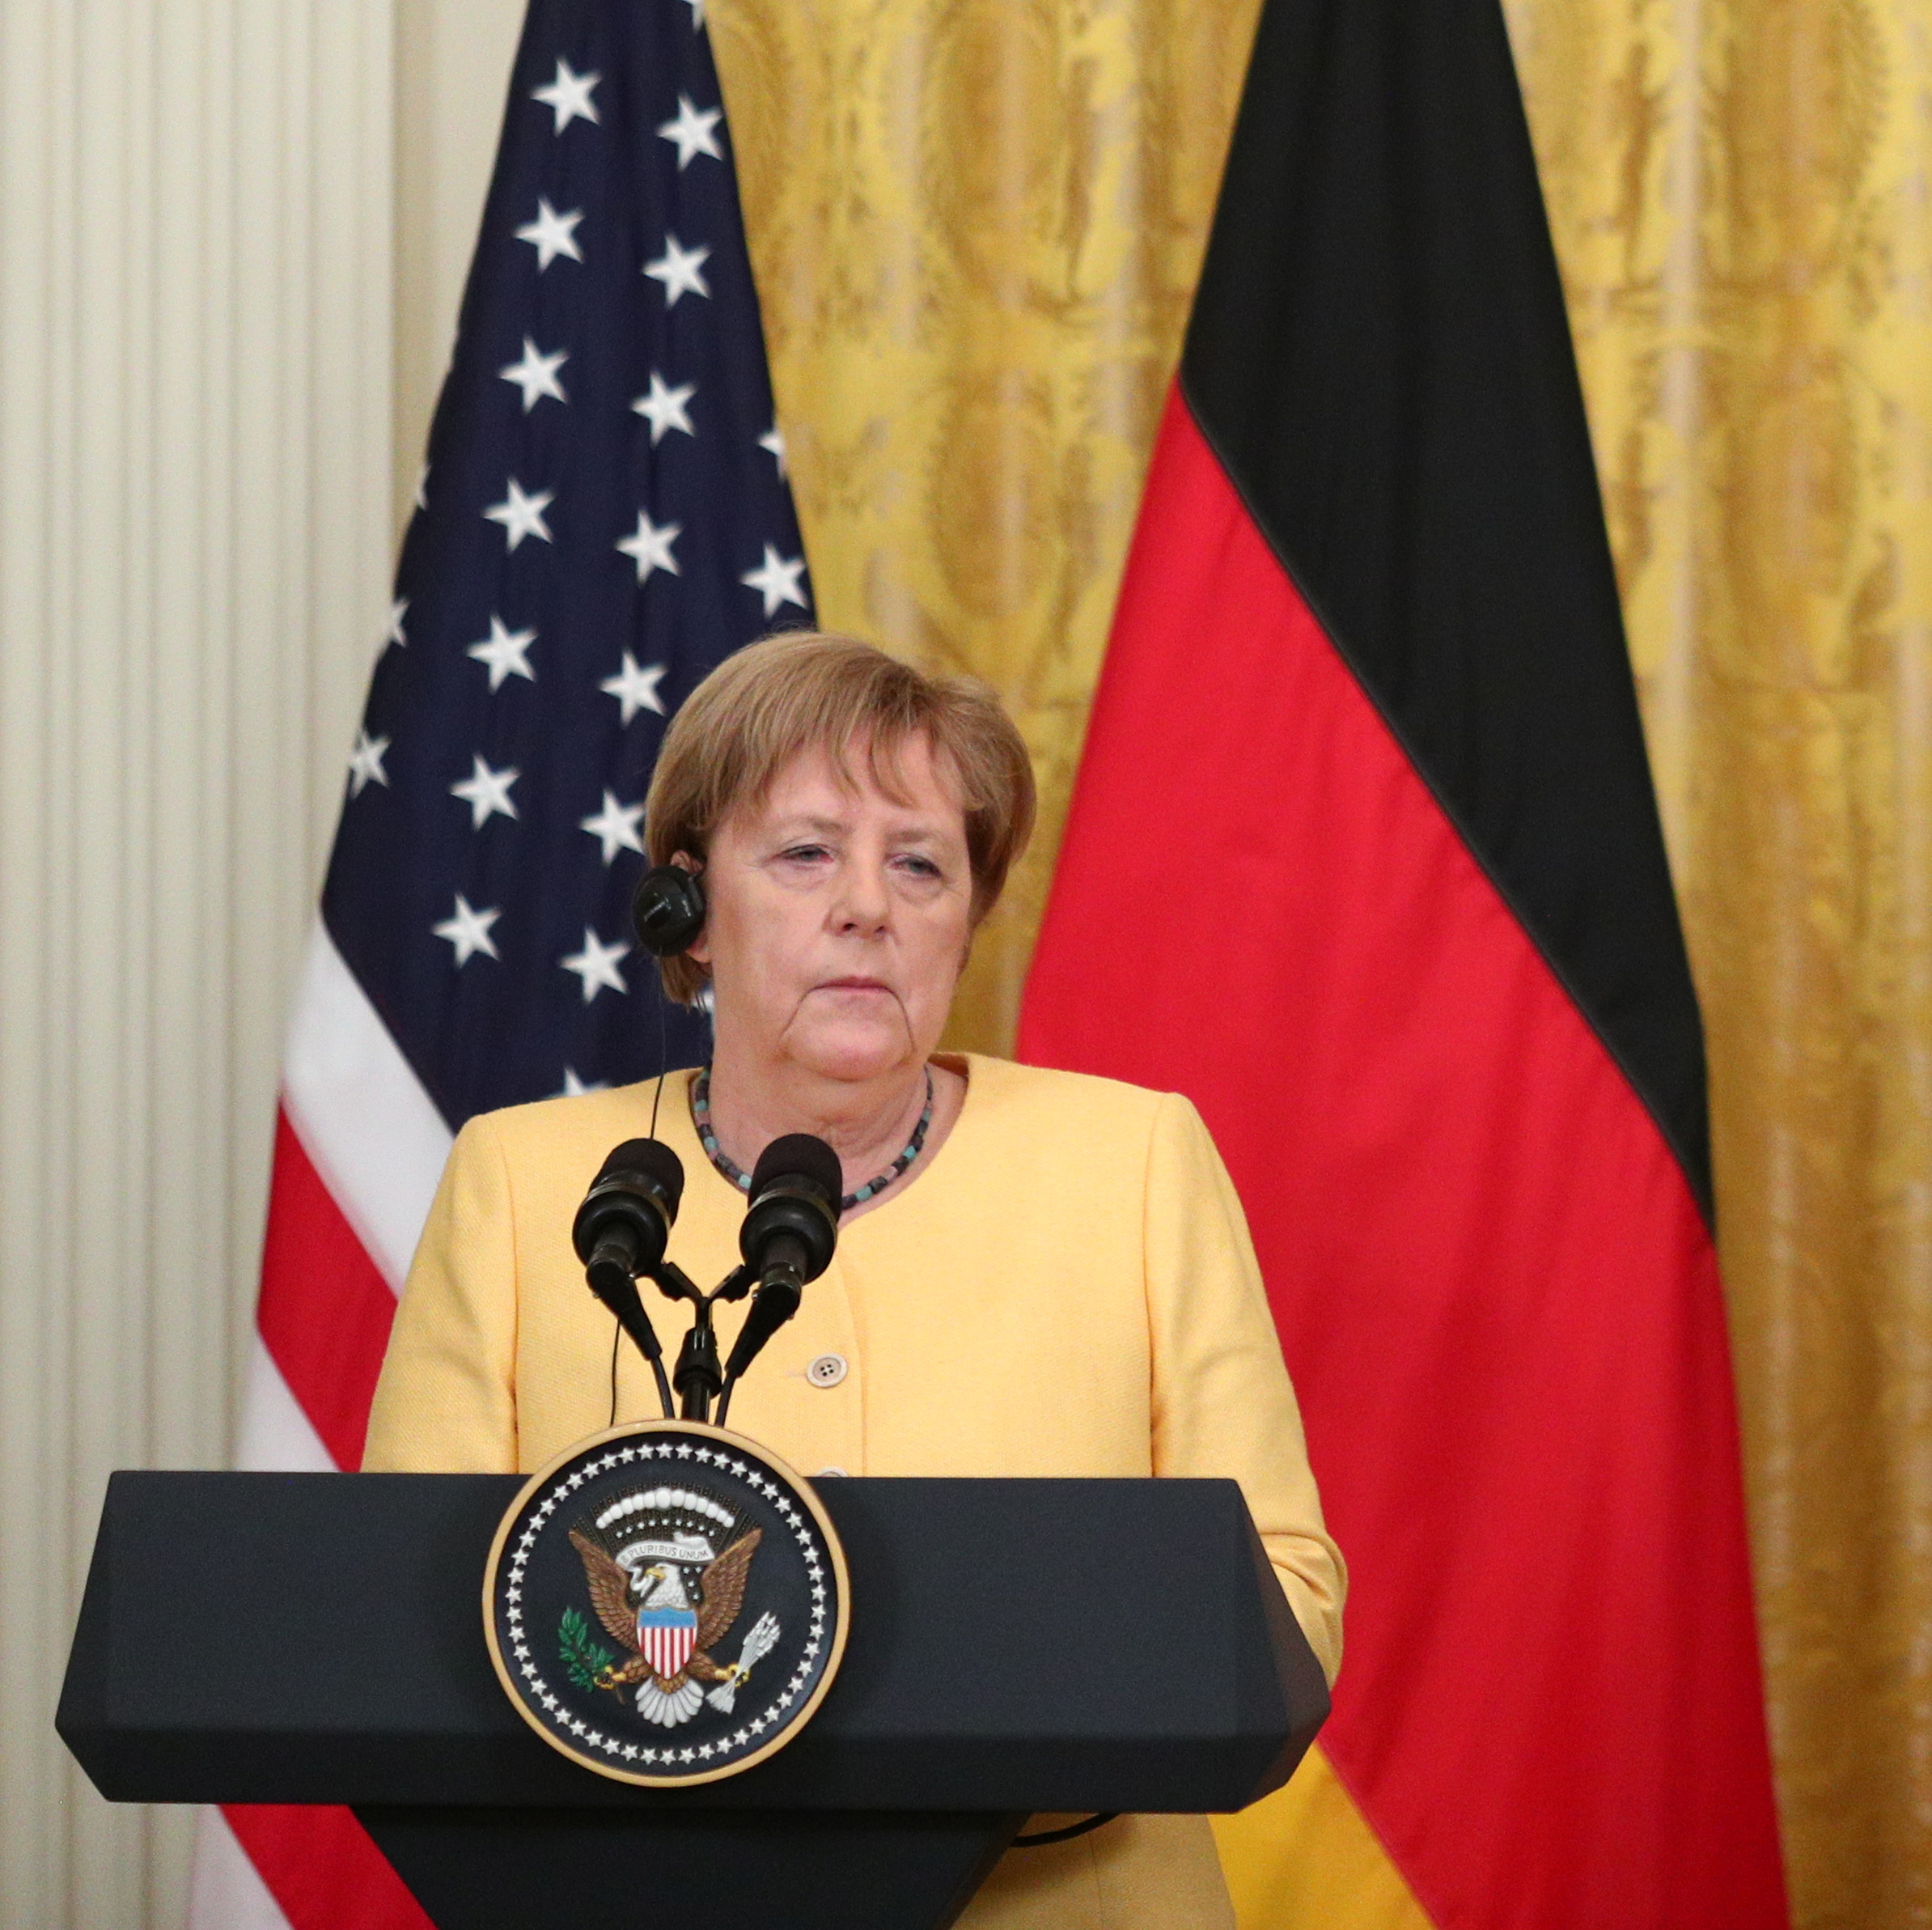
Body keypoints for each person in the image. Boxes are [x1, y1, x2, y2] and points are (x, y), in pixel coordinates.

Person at [369, 631, 1341, 1929]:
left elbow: (1282, 1602)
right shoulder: (526, 1187)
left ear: (964, 922)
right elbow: (414, 1625)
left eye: (921, 864)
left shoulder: (1133, 1163)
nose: (869, 905)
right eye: (807, 852)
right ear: (688, 911)